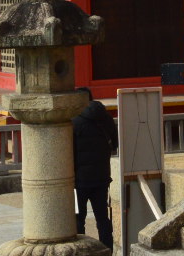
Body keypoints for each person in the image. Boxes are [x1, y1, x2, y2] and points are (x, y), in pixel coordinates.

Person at [70, 89, 116, 250]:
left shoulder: (73, 121)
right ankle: (107, 250)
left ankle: (81, 251)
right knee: (102, 218)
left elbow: (68, 152)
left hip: (79, 181)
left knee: (78, 219)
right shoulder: (106, 118)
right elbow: (115, 144)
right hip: (102, 177)